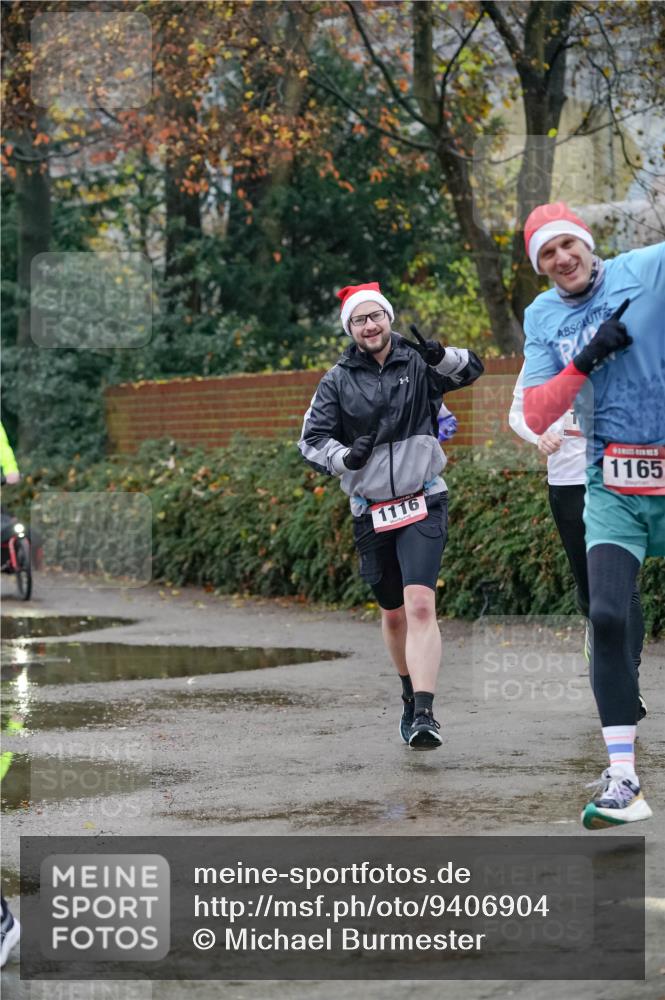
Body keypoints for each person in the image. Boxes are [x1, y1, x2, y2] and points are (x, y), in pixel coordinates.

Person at [520, 202, 664, 829]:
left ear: (586, 242)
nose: (561, 259)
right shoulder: (543, 315)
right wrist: (584, 361)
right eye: (547, 254)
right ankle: (624, 780)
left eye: (567, 245)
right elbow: (535, 414)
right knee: (605, 613)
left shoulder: (648, 269)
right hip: (612, 481)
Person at [299, 282, 483, 749]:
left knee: (421, 602)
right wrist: (347, 458)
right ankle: (407, 693)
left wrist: (441, 356)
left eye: (376, 316)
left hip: (424, 498)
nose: (370, 325)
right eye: (360, 320)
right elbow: (311, 441)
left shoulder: (418, 362)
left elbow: (471, 370)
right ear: (351, 329)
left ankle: (425, 714)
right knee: (395, 612)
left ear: (389, 318)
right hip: (371, 510)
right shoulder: (337, 380)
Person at [509, 365, 646, 718]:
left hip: (617, 477)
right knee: (591, 590)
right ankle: (592, 619)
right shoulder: (545, 349)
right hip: (567, 480)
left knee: (624, 584)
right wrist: (538, 436)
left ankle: (628, 684)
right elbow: (518, 412)